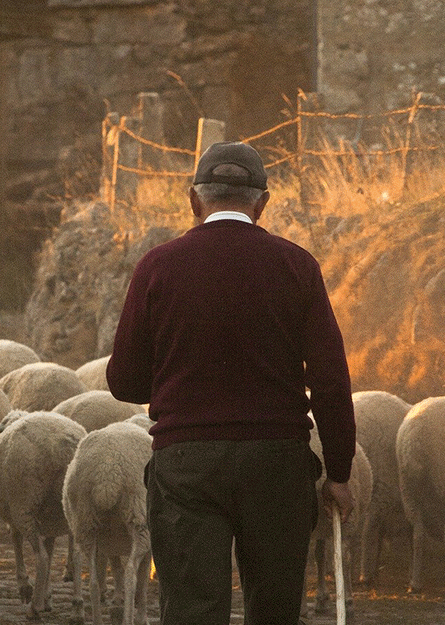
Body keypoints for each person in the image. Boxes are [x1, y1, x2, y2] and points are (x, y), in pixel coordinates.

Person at [106, 141, 357, 625]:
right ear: (262, 202)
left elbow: (124, 381)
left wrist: (178, 378)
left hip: (187, 463)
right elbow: (330, 380)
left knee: (192, 608)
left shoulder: (157, 267)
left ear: (193, 200)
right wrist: (340, 472)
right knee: (275, 608)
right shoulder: (297, 266)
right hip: (277, 464)